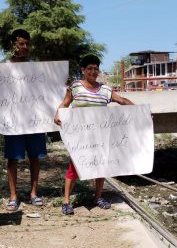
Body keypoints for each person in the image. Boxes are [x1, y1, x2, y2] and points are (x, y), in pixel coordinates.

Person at [54, 54, 134, 216]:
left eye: (95, 69)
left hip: (100, 138)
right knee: (74, 168)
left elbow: (121, 100)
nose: (93, 71)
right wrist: (58, 114)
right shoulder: (75, 87)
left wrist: (141, 111)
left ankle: (98, 197)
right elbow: (65, 104)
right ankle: (66, 201)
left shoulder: (105, 90)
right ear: (83, 70)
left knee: (100, 166)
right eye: (89, 68)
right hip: (80, 139)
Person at [3, 29, 46, 211]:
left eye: (27, 44)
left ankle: (33, 193)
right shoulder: (3, 68)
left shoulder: (35, 67)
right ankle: (13, 196)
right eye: (21, 44)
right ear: (13, 44)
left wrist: (63, 82)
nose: (25, 47)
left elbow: (48, 87)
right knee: (13, 159)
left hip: (34, 120)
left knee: (34, 157)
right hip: (13, 121)